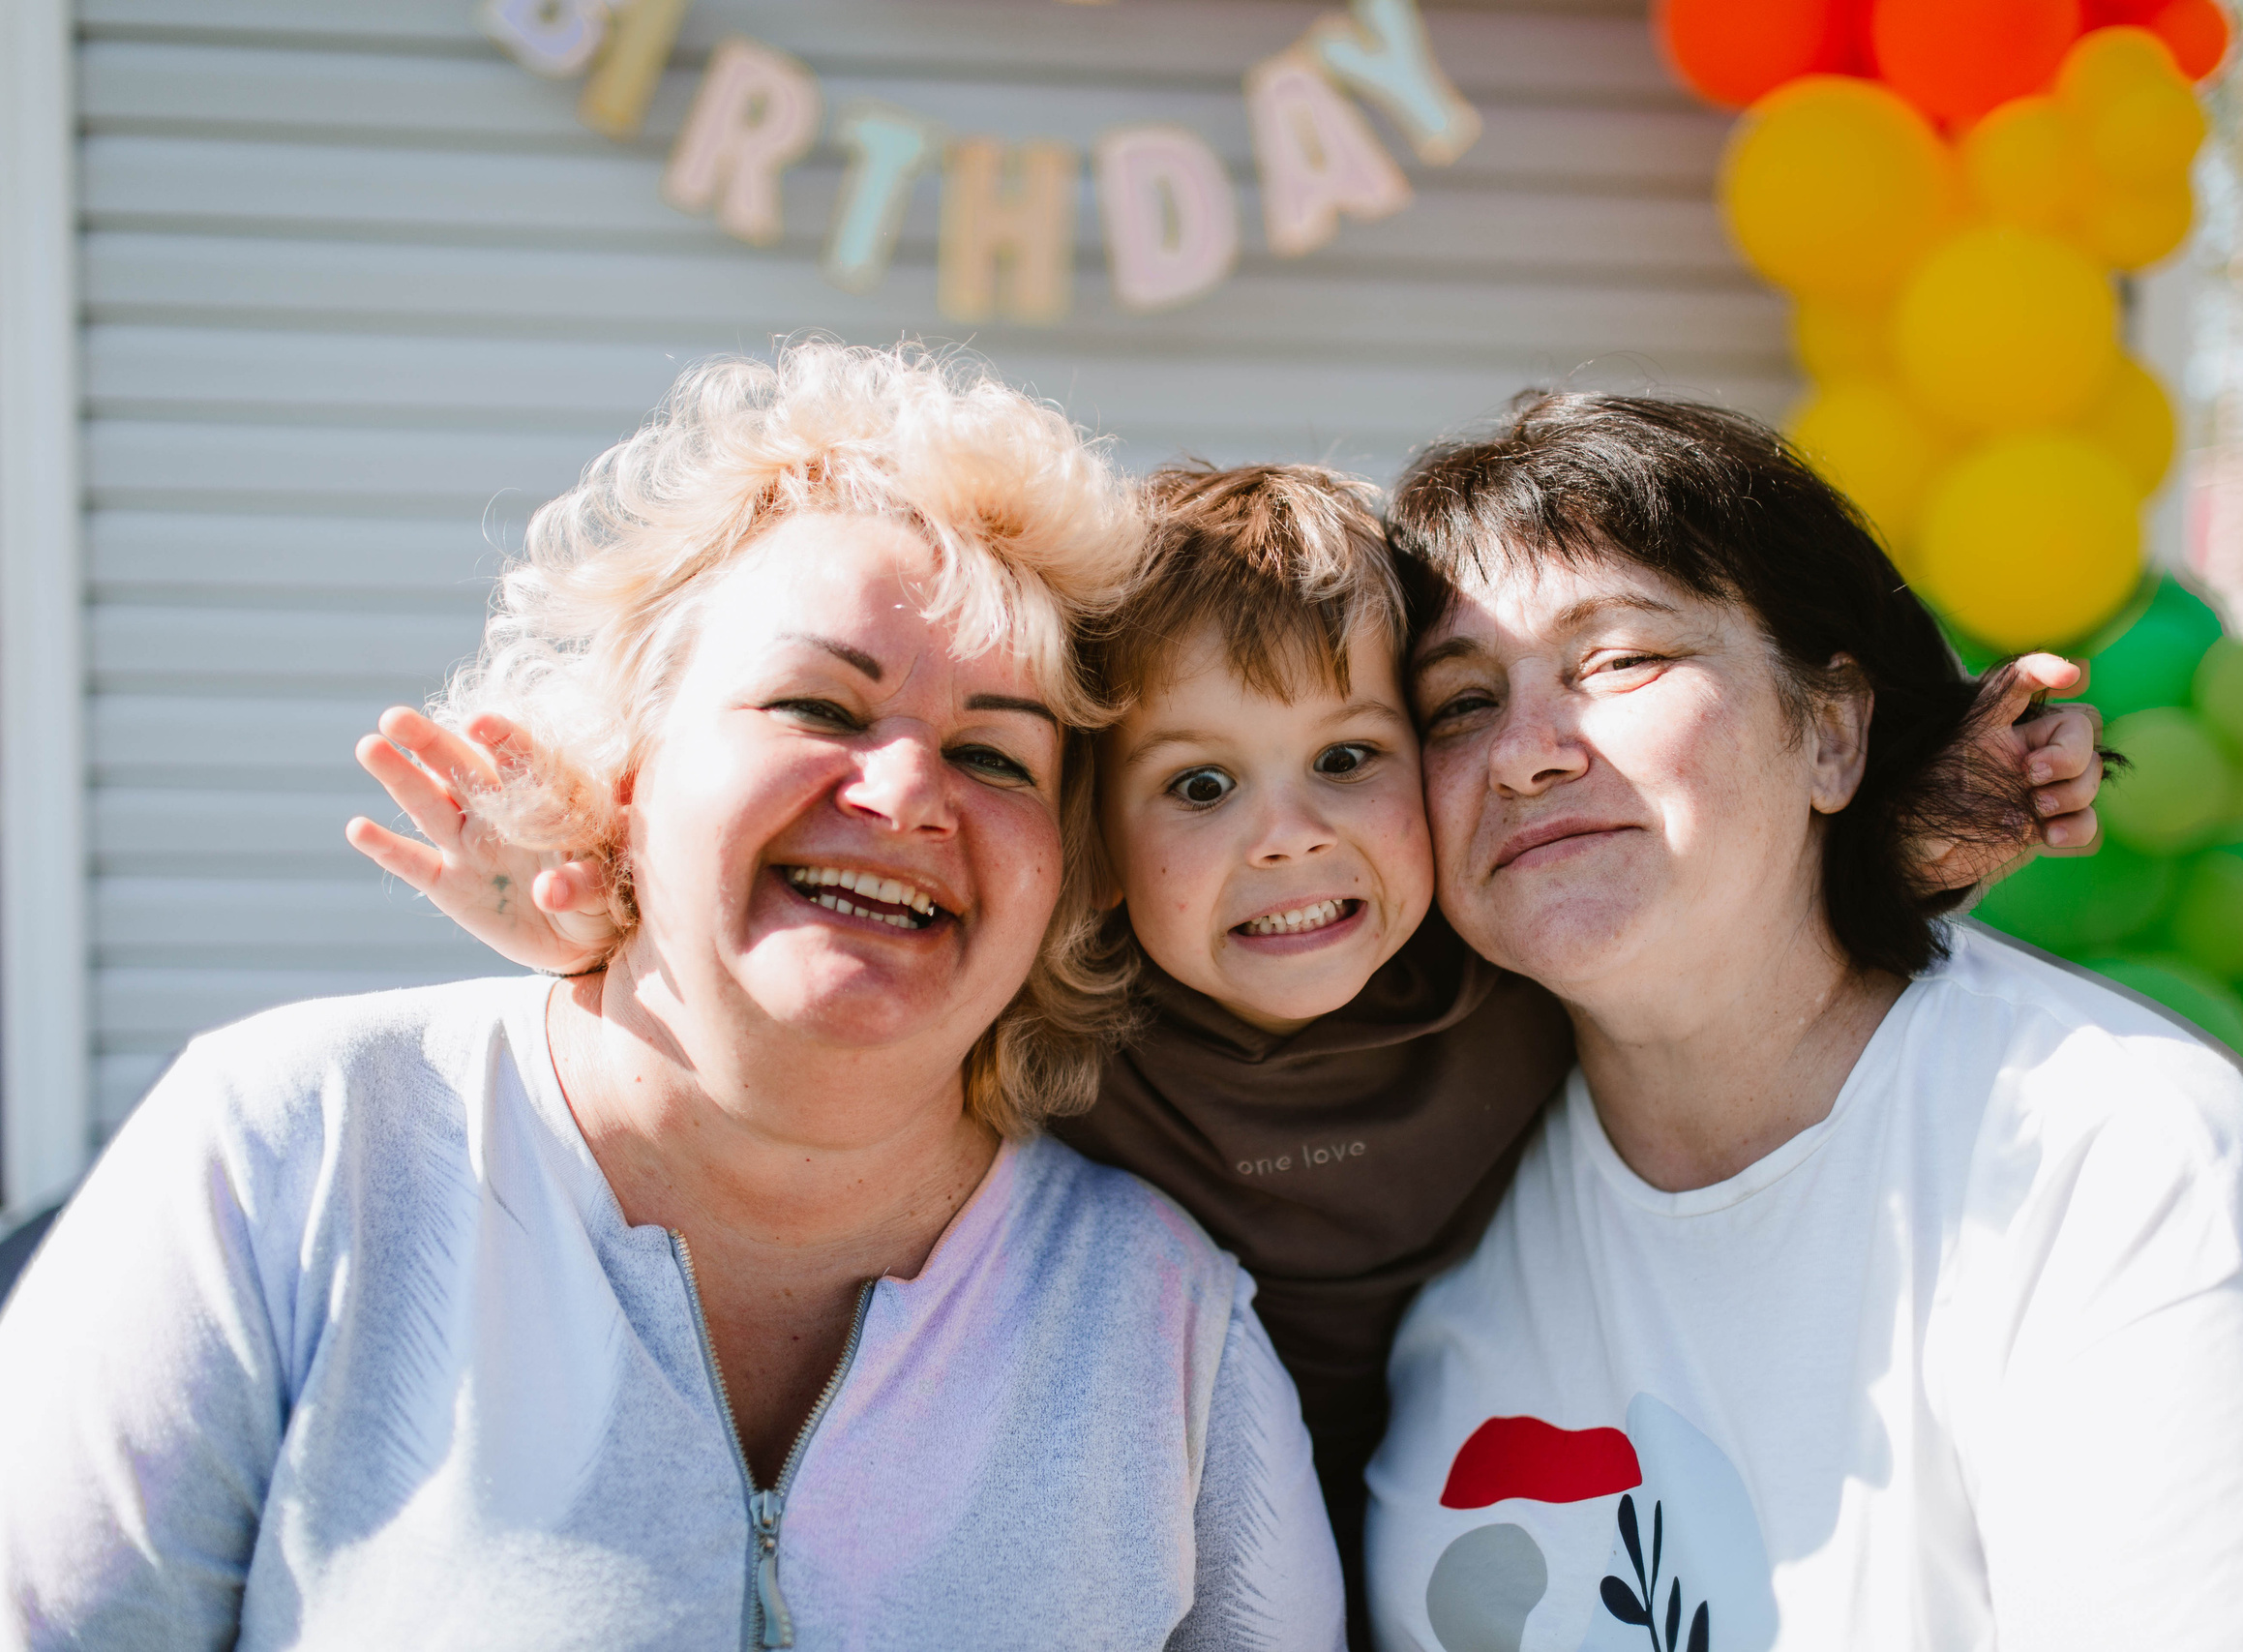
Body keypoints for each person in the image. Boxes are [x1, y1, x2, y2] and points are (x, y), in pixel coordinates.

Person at [345, 455, 2104, 1628]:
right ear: (1097, 840)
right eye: (1199, 787)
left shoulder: (1499, 963)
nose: (1290, 839)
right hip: (1167, 1532)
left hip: (1488, 1515)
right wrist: (610, 923)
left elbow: (1697, 915)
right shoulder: (1061, 1010)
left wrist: (1930, 819)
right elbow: (827, 1010)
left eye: (1348, 759)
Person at [0, 343, 1344, 1651]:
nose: (905, 794)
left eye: (996, 756)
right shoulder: (292, 1146)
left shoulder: (1172, 1326)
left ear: (1066, 870)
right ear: (626, 767)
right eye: (819, 708)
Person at [1363, 394, 2243, 1651]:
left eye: (1619, 659)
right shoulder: (1420, 1161)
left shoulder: (2121, 1171)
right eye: (1458, 703)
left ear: (1833, 732)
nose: (1523, 752)